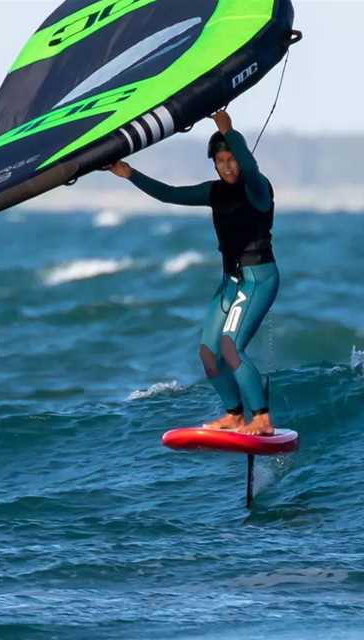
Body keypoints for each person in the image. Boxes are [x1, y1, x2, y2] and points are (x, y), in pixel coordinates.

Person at [108, 110, 279, 436]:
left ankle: (261, 418)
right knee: (209, 354)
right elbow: (171, 194)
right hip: (231, 283)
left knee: (231, 348)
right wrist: (130, 173)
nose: (228, 166)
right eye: (221, 160)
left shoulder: (257, 187)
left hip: (259, 278)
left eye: (232, 159)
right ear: (213, 163)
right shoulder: (213, 192)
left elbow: (251, 166)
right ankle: (234, 414)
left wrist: (228, 129)